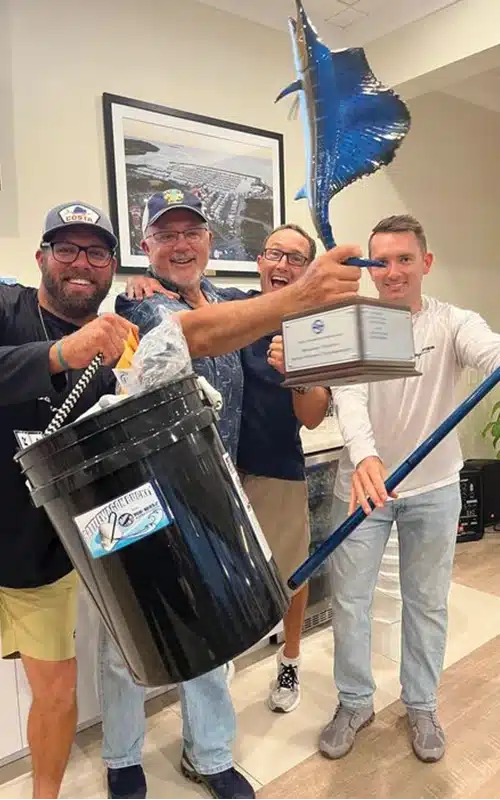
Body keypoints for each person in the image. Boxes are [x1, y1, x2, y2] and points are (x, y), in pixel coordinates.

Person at [105, 189, 361, 800]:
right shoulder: (130, 308)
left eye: (191, 232)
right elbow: (186, 337)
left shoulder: (233, 303)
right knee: (124, 634)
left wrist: (306, 333)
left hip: (214, 496)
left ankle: (210, 753)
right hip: (142, 499)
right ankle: (120, 758)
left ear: (210, 244)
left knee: (211, 628)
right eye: (165, 236)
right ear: (146, 249)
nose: (180, 244)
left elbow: (279, 358)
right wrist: (301, 292)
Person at [319, 214, 500, 764]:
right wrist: (367, 456)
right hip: (363, 488)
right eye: (380, 261)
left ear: (426, 263)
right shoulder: (356, 324)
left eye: (403, 259)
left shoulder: (453, 323)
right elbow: (348, 397)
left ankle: (421, 704)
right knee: (349, 602)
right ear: (369, 268)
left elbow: (488, 351)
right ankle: (354, 701)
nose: (392, 271)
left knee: (427, 602)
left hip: (434, 488)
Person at [0, 200, 138, 800]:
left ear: (111, 268)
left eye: (97, 252)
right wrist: (62, 354)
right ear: (41, 259)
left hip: (42, 562)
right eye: (67, 249)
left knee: (55, 694)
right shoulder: (6, 309)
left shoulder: (117, 353)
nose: (81, 263)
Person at [237, 224, 331, 713]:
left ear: (308, 269)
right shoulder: (233, 307)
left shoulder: (318, 326)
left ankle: (289, 660)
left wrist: (296, 373)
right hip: (220, 469)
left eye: (296, 259)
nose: (283, 266)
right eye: (276, 254)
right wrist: (148, 283)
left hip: (278, 464)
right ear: (260, 260)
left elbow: (313, 416)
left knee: (292, 574)